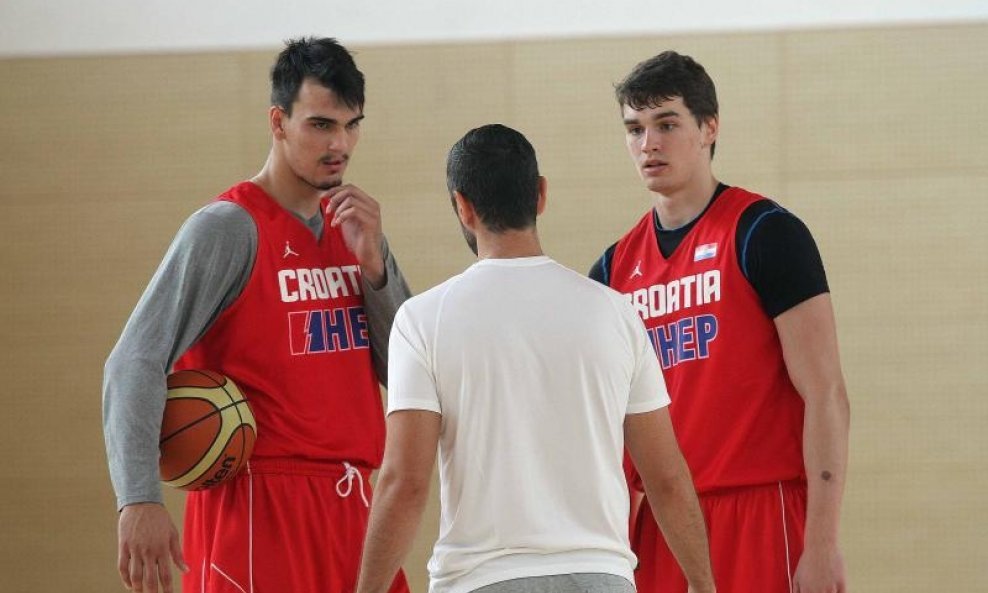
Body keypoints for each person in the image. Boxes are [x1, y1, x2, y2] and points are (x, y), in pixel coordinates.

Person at [102, 37, 412, 593]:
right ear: (278, 120)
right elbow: (134, 360)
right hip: (256, 505)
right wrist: (139, 498)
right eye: (320, 124)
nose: (340, 143)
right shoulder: (227, 227)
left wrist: (376, 272)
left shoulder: (357, 230)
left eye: (351, 125)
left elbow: (408, 377)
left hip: (357, 507)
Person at [354, 124, 716, 593]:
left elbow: (405, 482)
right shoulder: (616, 312)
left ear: (463, 207)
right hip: (602, 578)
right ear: (541, 195)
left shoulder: (422, 320)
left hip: (482, 580)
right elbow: (666, 476)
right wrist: (703, 583)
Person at [590, 51, 851, 593]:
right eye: (634, 129)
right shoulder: (613, 269)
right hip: (658, 524)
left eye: (666, 124)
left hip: (759, 508)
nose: (648, 144)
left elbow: (826, 394)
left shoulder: (766, 233)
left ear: (709, 127)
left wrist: (822, 543)